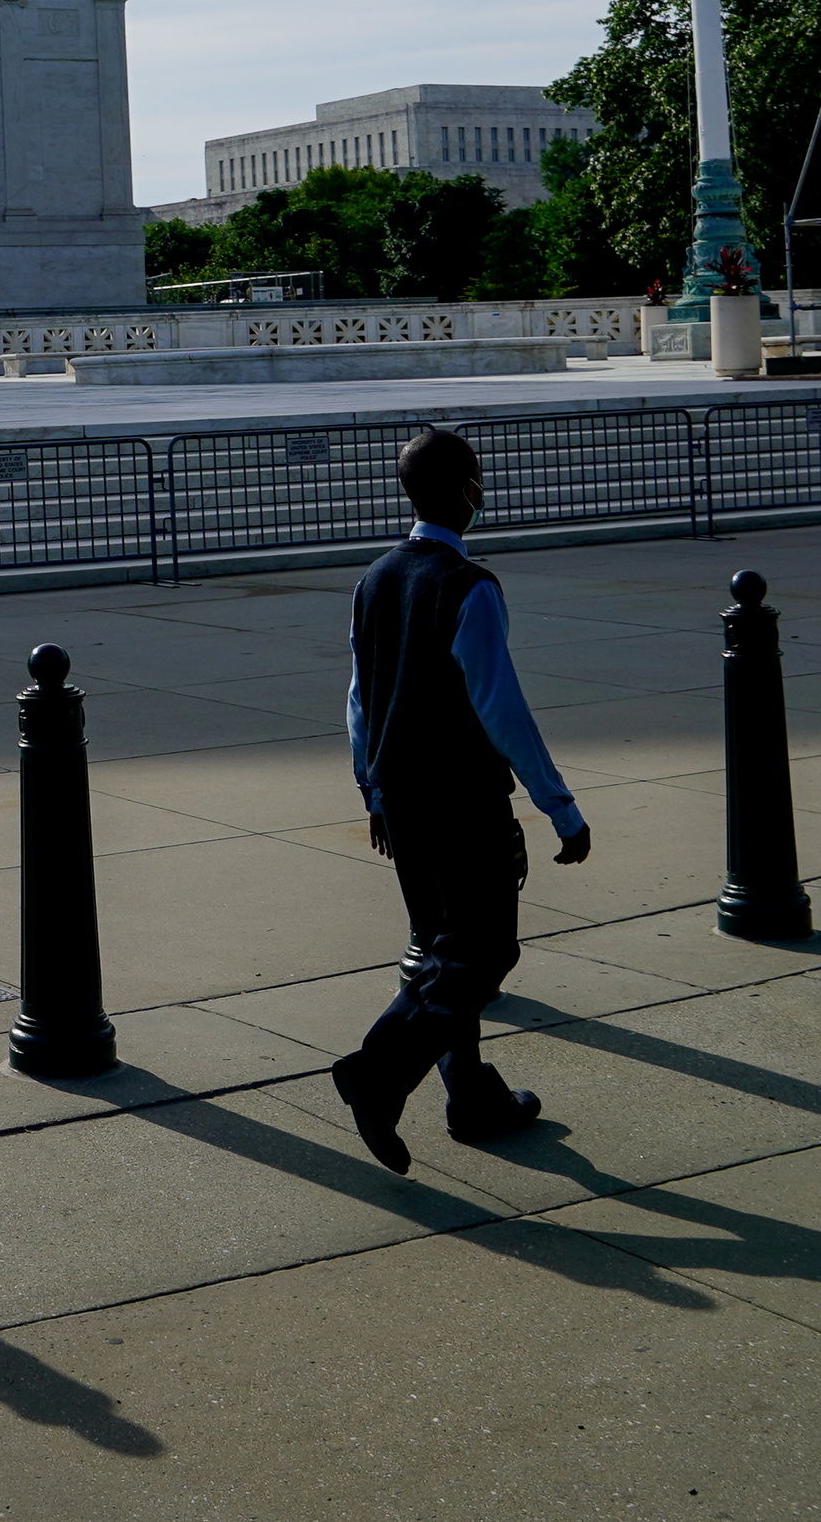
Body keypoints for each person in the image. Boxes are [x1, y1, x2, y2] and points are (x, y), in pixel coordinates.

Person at [331, 425, 590, 1173]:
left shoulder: (375, 577)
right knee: (482, 952)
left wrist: (372, 788)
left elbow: (357, 700)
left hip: (401, 802)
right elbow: (501, 709)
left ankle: (471, 1094)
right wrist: (559, 807)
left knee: (441, 952)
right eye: (477, 478)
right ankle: (376, 1072)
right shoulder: (470, 588)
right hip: (461, 803)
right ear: (461, 489)